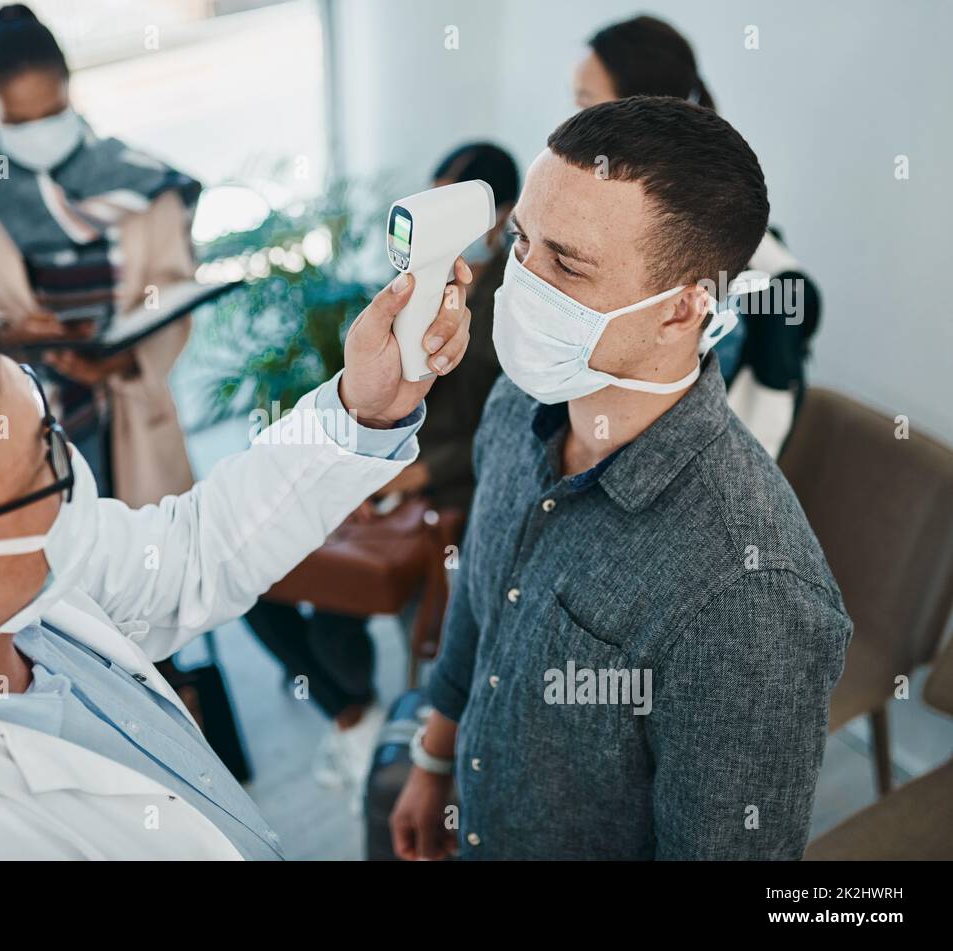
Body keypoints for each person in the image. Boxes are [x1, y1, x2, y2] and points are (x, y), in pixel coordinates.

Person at [0, 259, 473, 859]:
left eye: (43, 426)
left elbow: (192, 552)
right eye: (42, 464)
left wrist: (364, 410)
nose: (70, 475)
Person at [389, 97, 851, 860]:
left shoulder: (750, 592)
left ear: (682, 308)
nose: (520, 284)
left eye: (567, 263)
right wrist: (436, 760)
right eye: (521, 243)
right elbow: (482, 598)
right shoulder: (516, 404)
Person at [241, 143, 518, 796]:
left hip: (447, 487)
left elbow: (502, 429)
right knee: (263, 584)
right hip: (393, 460)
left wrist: (408, 477)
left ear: (495, 214)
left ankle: (365, 719)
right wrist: (366, 451)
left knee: (338, 604)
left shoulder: (512, 301)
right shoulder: (423, 285)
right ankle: (354, 713)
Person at [0, 3, 201, 498]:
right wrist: (8, 334)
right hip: (23, 424)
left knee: (143, 551)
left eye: (53, 113)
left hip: (126, 413)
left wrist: (119, 364)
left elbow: (171, 295)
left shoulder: (139, 182)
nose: (40, 131)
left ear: (69, 86)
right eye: (21, 120)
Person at [573, 14, 821, 457]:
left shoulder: (716, 258)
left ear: (635, 114)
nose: (576, 125)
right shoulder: (614, 219)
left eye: (586, 105)